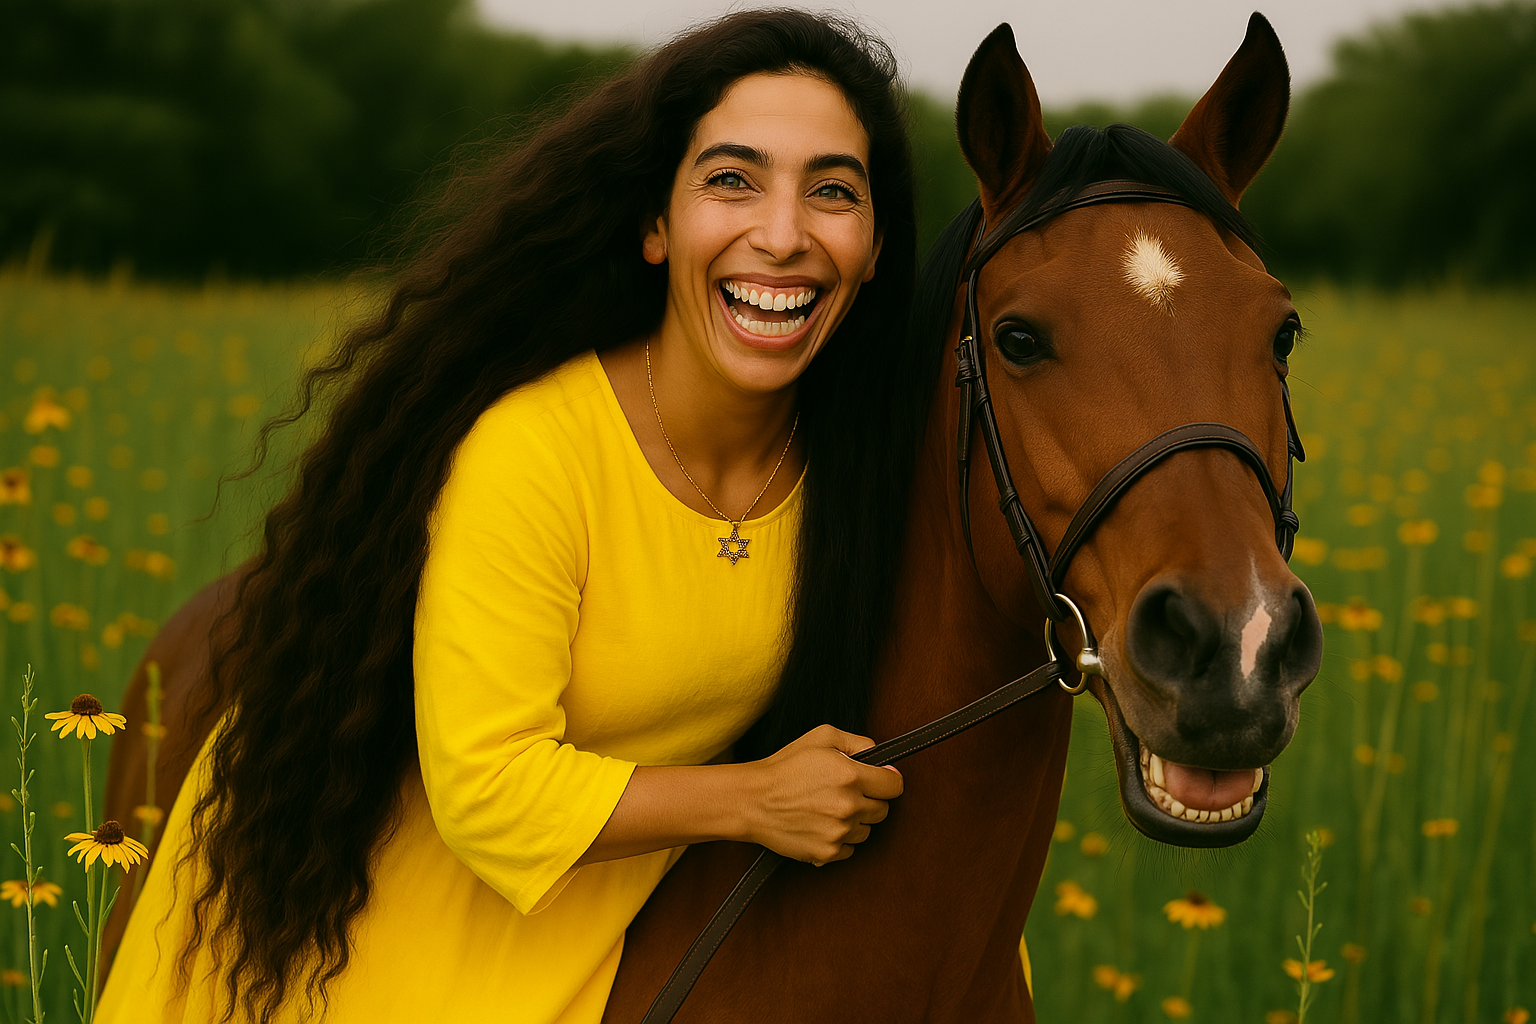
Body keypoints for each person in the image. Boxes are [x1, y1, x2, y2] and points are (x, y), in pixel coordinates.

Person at [95, 10, 930, 1024]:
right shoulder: (536, 448)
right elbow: (489, 789)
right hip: (377, 954)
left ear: (877, 245)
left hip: (629, 946)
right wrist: (755, 799)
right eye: (732, 179)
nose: (785, 232)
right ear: (656, 225)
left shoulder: (862, 467)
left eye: (833, 191)